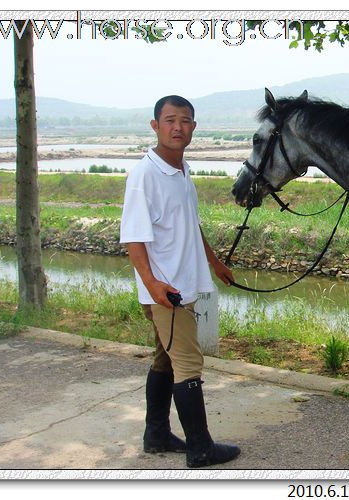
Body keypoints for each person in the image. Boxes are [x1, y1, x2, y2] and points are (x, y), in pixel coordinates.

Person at [119, 95, 239, 468]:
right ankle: (200, 448)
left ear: (193, 128)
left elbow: (189, 222)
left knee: (165, 360)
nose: (177, 127)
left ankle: (155, 435)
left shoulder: (182, 170)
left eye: (185, 121)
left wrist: (214, 261)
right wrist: (154, 286)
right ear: (155, 126)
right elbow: (133, 238)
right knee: (188, 363)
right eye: (169, 120)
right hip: (168, 291)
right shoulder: (145, 175)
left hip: (187, 283)